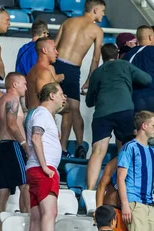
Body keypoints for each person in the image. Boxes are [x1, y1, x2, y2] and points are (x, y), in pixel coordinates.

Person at [85, 43, 152, 190]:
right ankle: (122, 186)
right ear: (117, 54)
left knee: (97, 151)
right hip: (125, 111)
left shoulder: (97, 72)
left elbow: (89, 102)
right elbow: (147, 79)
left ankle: (89, 190)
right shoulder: (125, 65)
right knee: (125, 149)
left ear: (103, 57)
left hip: (102, 113)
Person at [54, 0, 106, 158]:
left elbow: (54, 47)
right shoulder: (97, 30)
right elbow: (96, 60)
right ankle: (79, 144)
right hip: (72, 70)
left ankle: (62, 148)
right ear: (95, 10)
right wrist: (90, 80)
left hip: (56, 64)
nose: (103, 14)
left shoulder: (67, 21)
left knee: (58, 107)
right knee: (74, 109)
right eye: (102, 11)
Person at [26, 83, 66, 231]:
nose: (64, 98)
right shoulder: (42, 114)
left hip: (37, 169)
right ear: (52, 96)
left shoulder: (43, 115)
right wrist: (44, 167)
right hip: (44, 169)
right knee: (50, 213)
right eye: (61, 94)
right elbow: (36, 138)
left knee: (37, 216)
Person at [0, 73, 29, 231]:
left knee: (2, 192)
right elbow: (12, 124)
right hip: (12, 145)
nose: (26, 87)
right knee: (25, 185)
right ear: (14, 84)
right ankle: (27, 229)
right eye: (24, 84)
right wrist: (24, 145)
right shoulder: (12, 100)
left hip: (0, 147)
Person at [96, 157, 130, 231]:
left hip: (132, 210)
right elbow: (102, 185)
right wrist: (98, 209)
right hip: (113, 209)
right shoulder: (115, 162)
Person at [26, 37, 62, 111]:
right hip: (40, 117)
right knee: (69, 109)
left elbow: (27, 103)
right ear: (45, 50)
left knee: (69, 110)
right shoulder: (44, 72)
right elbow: (45, 102)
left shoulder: (31, 71)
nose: (57, 52)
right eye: (54, 49)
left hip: (33, 114)